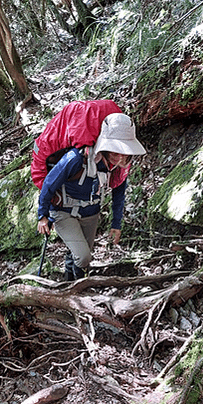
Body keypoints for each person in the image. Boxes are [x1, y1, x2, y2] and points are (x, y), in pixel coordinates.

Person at [37, 113, 146, 280]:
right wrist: (43, 215)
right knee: (83, 256)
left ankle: (69, 285)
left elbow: (119, 194)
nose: (120, 156)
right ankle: (79, 288)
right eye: (115, 150)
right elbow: (49, 184)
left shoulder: (119, 167)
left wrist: (116, 225)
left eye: (124, 151)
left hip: (91, 214)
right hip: (63, 212)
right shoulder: (76, 158)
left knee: (79, 255)